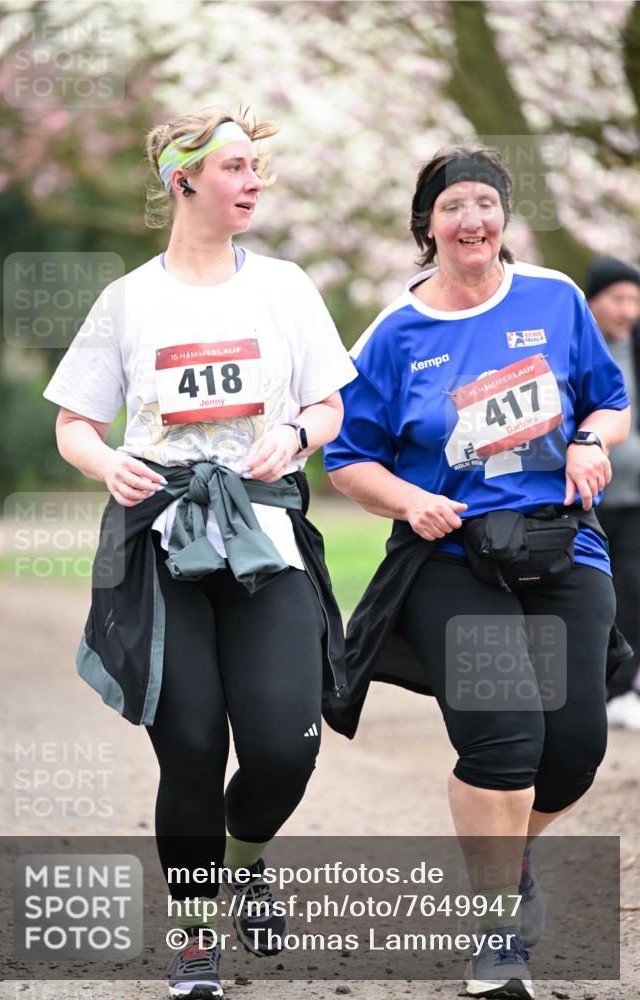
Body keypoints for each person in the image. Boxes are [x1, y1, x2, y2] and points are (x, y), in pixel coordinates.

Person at [43, 107, 356, 1000]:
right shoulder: (129, 299)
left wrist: (295, 434)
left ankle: (244, 857)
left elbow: (330, 404)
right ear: (184, 180)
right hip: (163, 541)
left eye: (258, 166)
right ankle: (193, 939)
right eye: (235, 167)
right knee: (187, 748)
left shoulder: (287, 287)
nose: (254, 181)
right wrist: (109, 464)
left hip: (264, 536)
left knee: (282, 749)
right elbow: (74, 423)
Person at [323, 145, 631, 1000]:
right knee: (504, 743)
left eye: (485, 205)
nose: (472, 221)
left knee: (571, 751)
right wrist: (408, 502)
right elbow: (348, 460)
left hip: (560, 542)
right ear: (427, 224)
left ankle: (512, 857)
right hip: (451, 554)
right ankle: (494, 933)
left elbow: (609, 400)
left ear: (503, 217)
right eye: (453, 206)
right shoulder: (393, 333)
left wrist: (585, 442)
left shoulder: (556, 298)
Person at [586, 256, 640, 730]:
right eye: (617, 299)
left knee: (633, 591)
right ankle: (594, 686)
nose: (627, 310)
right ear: (592, 302)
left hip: (636, 499)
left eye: (634, 299)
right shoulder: (579, 346)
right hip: (589, 500)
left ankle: (623, 687)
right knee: (596, 593)